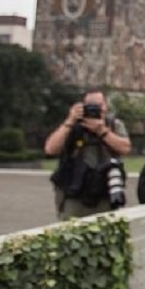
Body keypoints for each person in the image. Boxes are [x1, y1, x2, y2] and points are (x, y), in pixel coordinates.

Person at [44, 88, 132, 220]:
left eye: (99, 105)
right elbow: (50, 149)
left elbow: (125, 148)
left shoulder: (113, 124)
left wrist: (102, 131)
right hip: (75, 192)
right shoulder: (73, 125)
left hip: (105, 191)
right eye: (90, 106)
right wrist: (70, 121)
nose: (95, 110)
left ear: (106, 106)